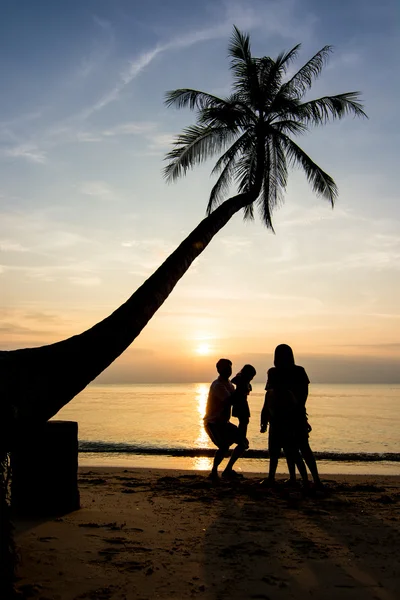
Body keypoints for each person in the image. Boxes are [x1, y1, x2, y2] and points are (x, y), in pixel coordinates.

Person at [260, 344, 323, 489]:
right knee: (296, 449)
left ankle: (299, 479)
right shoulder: (293, 371)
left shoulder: (277, 372)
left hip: (284, 416)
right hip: (289, 415)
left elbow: (269, 396)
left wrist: (266, 415)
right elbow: (302, 395)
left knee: (287, 449)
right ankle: (309, 480)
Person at [204, 358, 247, 480]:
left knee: (243, 443)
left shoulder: (229, 384)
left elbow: (237, 399)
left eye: (229, 368)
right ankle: (214, 471)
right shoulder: (217, 385)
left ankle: (228, 469)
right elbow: (231, 400)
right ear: (219, 370)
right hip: (212, 422)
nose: (228, 370)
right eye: (225, 368)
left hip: (224, 422)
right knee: (223, 446)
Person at [231, 364, 256, 448]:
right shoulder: (240, 379)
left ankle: (241, 436)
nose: (252, 378)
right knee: (243, 420)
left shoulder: (245, 382)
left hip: (243, 402)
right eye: (251, 376)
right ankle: (240, 436)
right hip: (239, 402)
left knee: (245, 420)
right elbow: (233, 380)